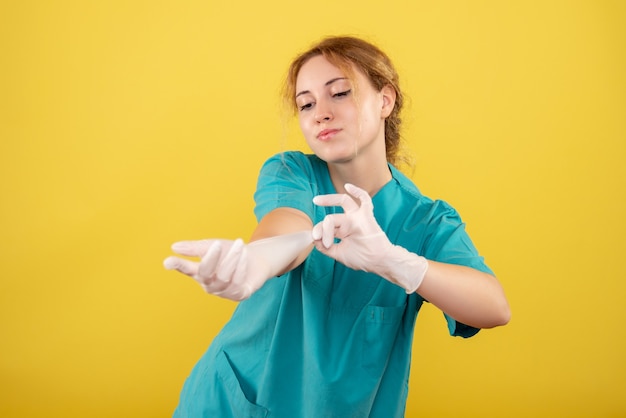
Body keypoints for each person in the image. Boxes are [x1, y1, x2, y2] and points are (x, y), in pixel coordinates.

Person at [163, 35, 510, 418]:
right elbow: (287, 228)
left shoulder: (426, 221)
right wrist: (253, 263)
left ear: (385, 100)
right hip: (233, 404)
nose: (319, 113)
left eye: (340, 93)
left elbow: (493, 307)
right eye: (306, 104)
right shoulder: (292, 172)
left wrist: (396, 262)